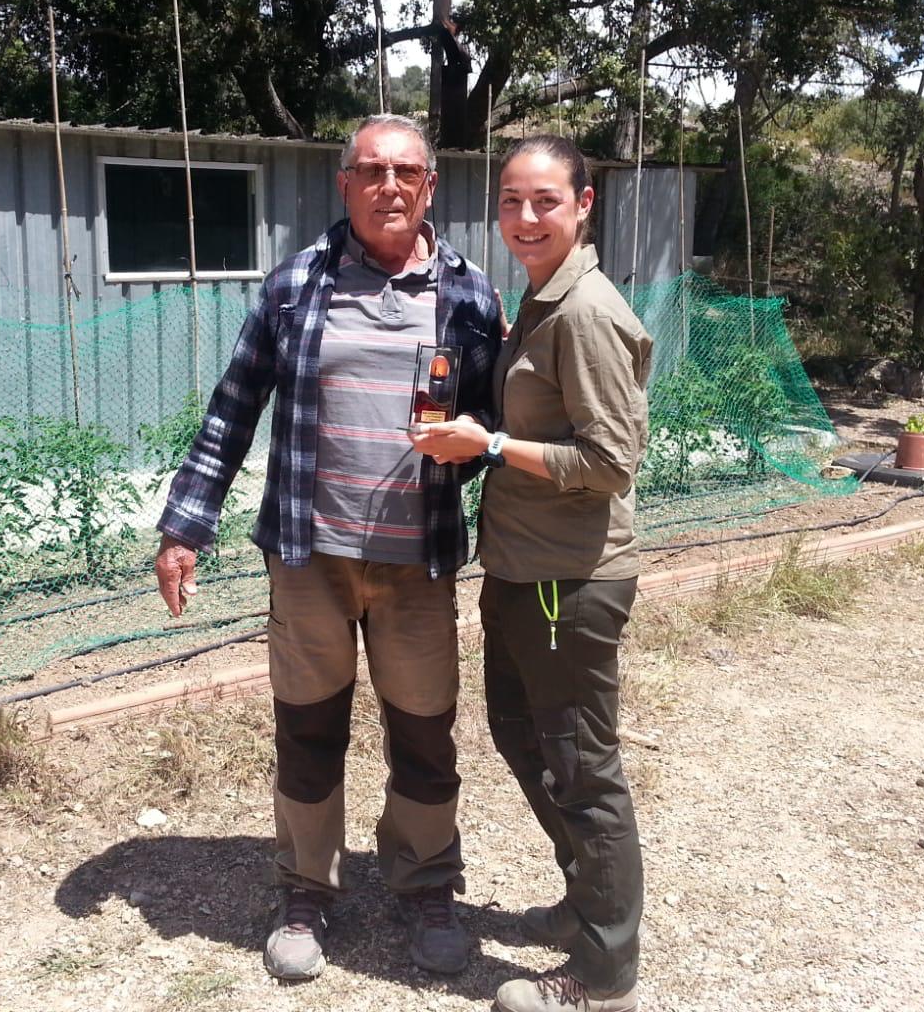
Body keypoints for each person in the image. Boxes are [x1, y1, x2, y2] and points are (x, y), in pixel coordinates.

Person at [154, 113, 502, 981]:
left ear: (430, 187)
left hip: (418, 559)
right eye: (371, 171)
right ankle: (307, 888)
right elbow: (233, 409)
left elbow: (493, 422)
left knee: (424, 734)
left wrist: (472, 456)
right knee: (308, 729)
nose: (390, 186)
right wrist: (186, 526)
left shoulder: (471, 296)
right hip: (310, 556)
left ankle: (427, 884)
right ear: (344, 184)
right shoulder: (294, 287)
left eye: (407, 172)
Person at [411, 135, 652, 1012]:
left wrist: (494, 446)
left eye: (545, 200)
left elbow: (611, 461)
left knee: (582, 768)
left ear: (583, 205)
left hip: (569, 577)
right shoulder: (541, 298)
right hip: (522, 567)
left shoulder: (584, 311)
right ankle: (588, 904)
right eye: (511, 200)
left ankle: (605, 973)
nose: (524, 217)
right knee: (524, 739)